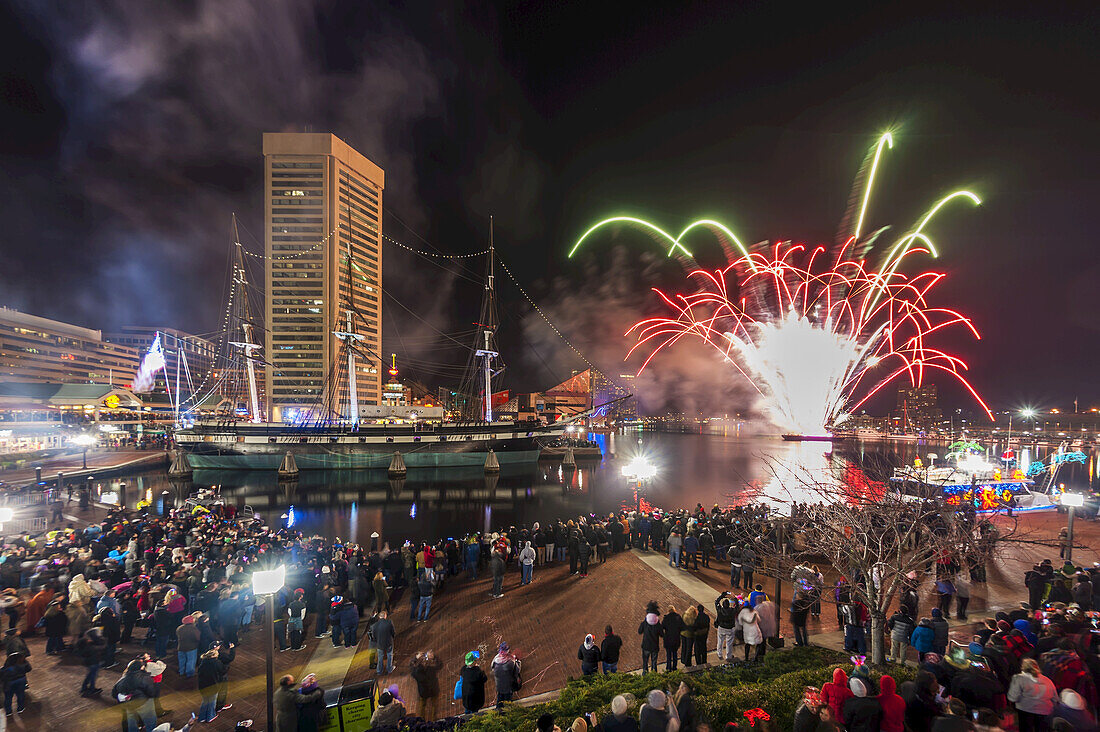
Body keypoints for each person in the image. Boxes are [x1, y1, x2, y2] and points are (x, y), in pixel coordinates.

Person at [1007, 658, 1057, 732]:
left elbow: (1013, 697)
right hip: (1045, 710)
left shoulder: (1019, 678)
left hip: (1025, 710)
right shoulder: (1047, 680)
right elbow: (1055, 698)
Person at [112, 658, 158, 732]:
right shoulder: (145, 678)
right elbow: (151, 693)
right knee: (150, 723)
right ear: (141, 668)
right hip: (144, 703)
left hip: (129, 705)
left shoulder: (122, 679)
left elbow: (114, 693)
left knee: (131, 724)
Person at [410, 651, 442, 721]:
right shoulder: (431, 669)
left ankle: (422, 720)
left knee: (422, 706)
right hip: (433, 690)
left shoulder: (416, 672)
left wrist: (415, 658)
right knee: (434, 705)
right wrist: (434, 657)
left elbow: (411, 667)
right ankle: (433, 720)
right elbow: (440, 665)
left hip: (423, 691)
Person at [77, 626, 106, 697]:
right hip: (93, 661)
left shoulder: (83, 643)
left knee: (90, 675)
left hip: (89, 661)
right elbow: (100, 648)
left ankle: (84, 688)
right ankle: (92, 689)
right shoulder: (89, 645)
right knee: (93, 676)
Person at [491, 642, 521, 707]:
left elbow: (492, 667)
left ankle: (498, 712)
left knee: (499, 700)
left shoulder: (495, 659)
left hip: (499, 685)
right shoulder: (510, 661)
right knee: (508, 702)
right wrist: (518, 662)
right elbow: (516, 671)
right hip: (508, 686)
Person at [639, 605, 663, 673]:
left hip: (646, 645)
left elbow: (639, 631)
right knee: (654, 662)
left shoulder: (645, 623)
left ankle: (645, 673)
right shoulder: (658, 624)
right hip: (654, 646)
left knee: (645, 661)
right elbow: (662, 635)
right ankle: (654, 674)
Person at [714, 592, 738, 660]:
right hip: (730, 628)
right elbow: (737, 606)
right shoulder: (732, 611)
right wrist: (735, 598)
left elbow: (716, 602)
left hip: (721, 627)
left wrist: (722, 596)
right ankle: (728, 656)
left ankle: (719, 654)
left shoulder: (719, 610)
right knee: (729, 643)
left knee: (720, 641)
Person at [373, 610, 395, 674]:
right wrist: (392, 637)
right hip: (388, 642)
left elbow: (374, 636)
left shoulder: (375, 625)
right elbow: (393, 632)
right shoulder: (389, 622)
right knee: (389, 655)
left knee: (380, 657)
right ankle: (389, 668)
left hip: (380, 644)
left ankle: (379, 670)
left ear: (379, 617)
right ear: (385, 616)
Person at [661, 606, 683, 671]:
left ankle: (668, 667)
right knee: (675, 654)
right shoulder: (678, 617)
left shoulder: (666, 618)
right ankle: (674, 667)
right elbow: (681, 626)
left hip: (668, 639)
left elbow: (662, 627)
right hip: (676, 638)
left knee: (668, 655)